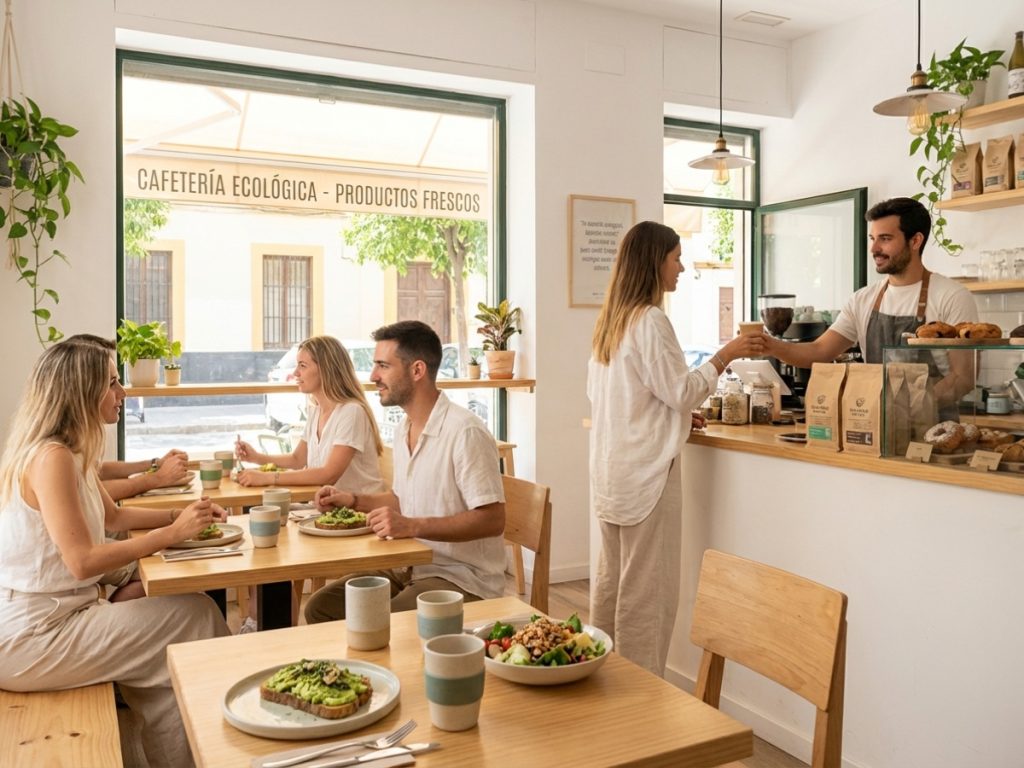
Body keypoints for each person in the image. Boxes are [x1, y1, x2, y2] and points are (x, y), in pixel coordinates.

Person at [0, 340, 230, 768]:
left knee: (169, 645)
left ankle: (189, 755)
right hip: (33, 636)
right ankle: (222, 747)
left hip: (54, 618)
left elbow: (115, 520)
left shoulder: (69, 453)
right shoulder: (52, 458)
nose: (122, 392)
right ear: (81, 392)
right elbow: (82, 561)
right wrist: (171, 533)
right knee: (193, 616)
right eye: (111, 382)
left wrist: (184, 515)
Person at [587, 220, 764, 677]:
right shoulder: (650, 320)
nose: (682, 267)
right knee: (647, 595)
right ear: (654, 262)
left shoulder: (611, 323)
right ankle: (642, 701)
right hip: (647, 476)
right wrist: (726, 354)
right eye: (676, 257)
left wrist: (678, 417)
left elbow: (634, 397)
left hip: (611, 474)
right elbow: (681, 391)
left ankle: (600, 682)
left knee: (610, 587)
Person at [304, 320, 505, 624]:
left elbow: (493, 519)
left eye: (383, 366)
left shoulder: (464, 431)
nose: (373, 377)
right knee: (321, 607)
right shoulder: (403, 428)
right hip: (409, 567)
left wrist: (411, 526)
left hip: (461, 578)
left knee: (379, 622)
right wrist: (352, 499)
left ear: (417, 371)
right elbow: (401, 499)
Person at [761, 197, 978, 413]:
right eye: (872, 238)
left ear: (915, 241)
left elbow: (963, 377)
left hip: (933, 430)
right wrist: (769, 345)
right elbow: (819, 351)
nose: (874, 248)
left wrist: (912, 411)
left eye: (885, 238)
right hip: (874, 425)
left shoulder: (951, 296)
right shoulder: (862, 299)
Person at [235, 335, 385, 492]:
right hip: (326, 507)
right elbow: (298, 459)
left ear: (326, 370)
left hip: (358, 511)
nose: (295, 373)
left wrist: (267, 478)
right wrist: (257, 458)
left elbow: (329, 475)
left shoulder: (351, 412)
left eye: (302, 365)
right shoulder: (316, 410)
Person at [63, 334, 192, 501]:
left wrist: (155, 464)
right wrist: (157, 478)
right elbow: (96, 495)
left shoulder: (72, 437)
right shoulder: (56, 454)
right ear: (83, 387)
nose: (123, 393)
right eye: (111, 383)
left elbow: (97, 471)